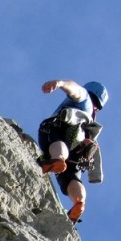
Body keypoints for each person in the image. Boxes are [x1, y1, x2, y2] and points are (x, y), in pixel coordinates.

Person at [37, 79, 109, 223]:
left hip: (61, 129)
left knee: (55, 140)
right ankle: (79, 201)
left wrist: (60, 83)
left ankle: (58, 158)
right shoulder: (91, 123)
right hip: (78, 148)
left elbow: (76, 90)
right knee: (72, 178)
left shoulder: (85, 100)